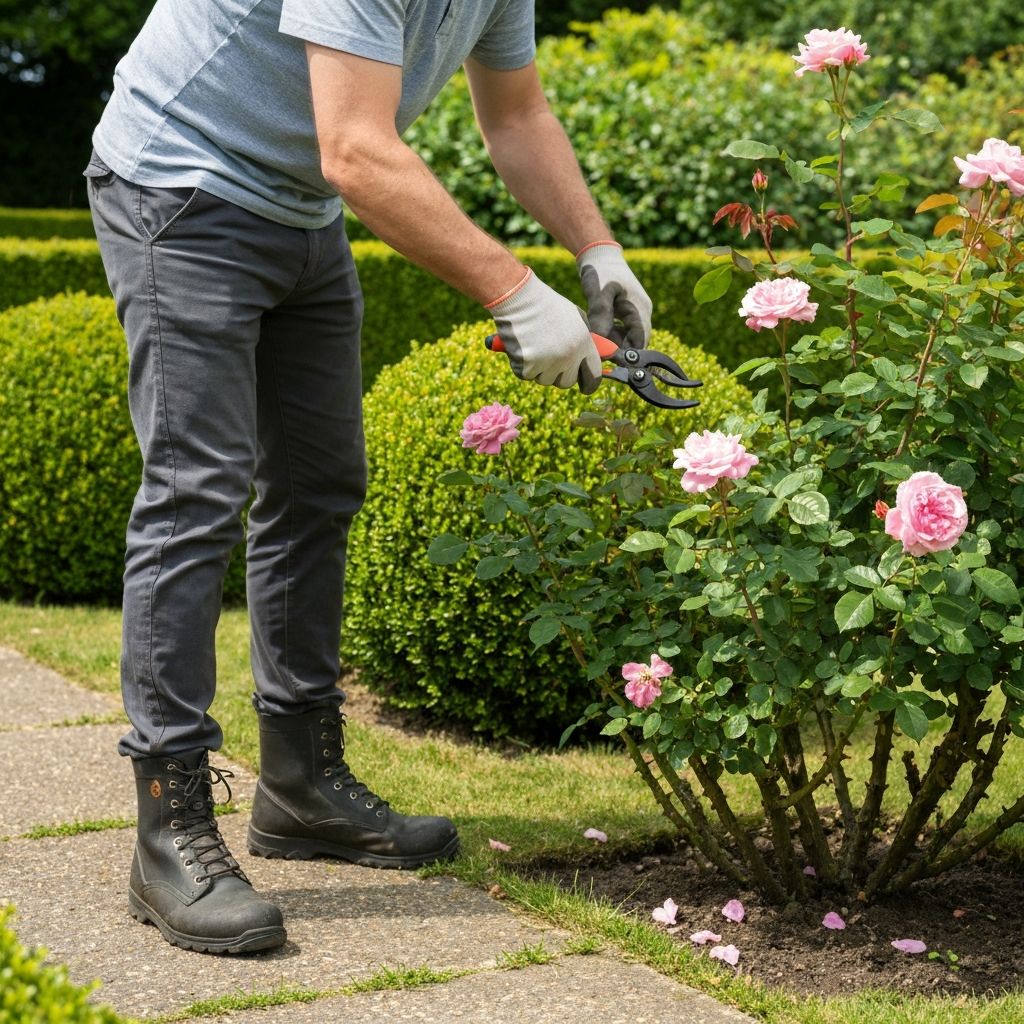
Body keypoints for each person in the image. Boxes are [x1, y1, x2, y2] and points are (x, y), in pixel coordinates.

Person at [84, 0, 654, 955]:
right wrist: (517, 292)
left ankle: (300, 786)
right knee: (196, 496)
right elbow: (355, 149)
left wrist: (597, 249)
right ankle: (167, 826)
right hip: (180, 184)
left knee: (319, 487)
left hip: (299, 208)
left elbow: (516, 114)